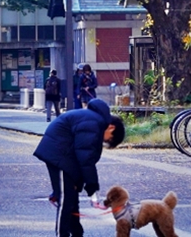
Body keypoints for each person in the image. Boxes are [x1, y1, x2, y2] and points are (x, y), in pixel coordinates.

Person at [33, 96, 125, 237]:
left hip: (64, 155)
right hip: (60, 155)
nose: (105, 141)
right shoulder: (95, 123)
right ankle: (62, 234)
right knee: (65, 200)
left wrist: (79, 183)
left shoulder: (93, 119)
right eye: (109, 139)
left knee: (71, 198)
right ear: (111, 127)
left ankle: (77, 233)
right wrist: (92, 188)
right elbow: (86, 158)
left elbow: (82, 157)